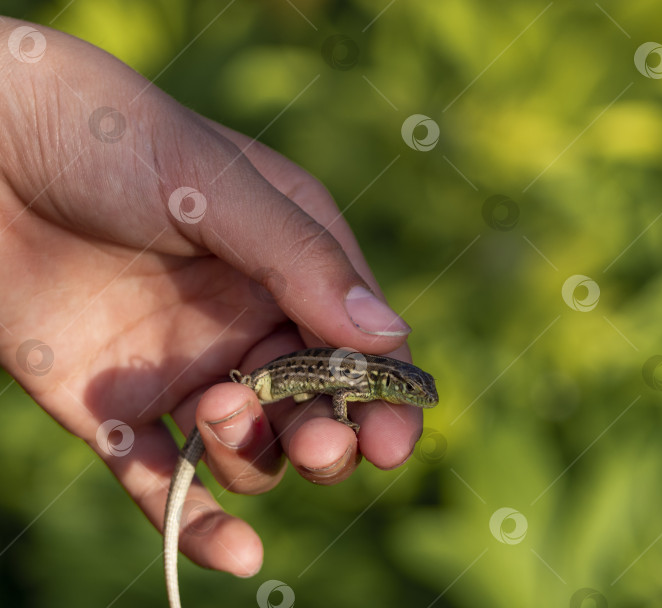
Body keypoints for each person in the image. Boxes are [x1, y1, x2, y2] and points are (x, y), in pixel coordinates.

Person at [0, 18, 423, 578]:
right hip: (263, 382)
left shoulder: (361, 375)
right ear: (394, 382)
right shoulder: (359, 375)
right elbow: (340, 400)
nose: (414, 391)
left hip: (267, 383)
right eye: (413, 387)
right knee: (272, 418)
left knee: (262, 428)